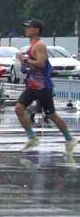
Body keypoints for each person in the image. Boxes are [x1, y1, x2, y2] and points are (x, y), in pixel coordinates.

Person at [14, 19, 77, 154]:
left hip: (43, 86)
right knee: (19, 108)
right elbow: (33, 66)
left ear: (36, 30)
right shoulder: (32, 46)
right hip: (32, 85)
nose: (26, 29)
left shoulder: (40, 45)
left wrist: (24, 59)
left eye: (29, 27)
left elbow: (41, 64)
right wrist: (23, 62)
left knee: (51, 115)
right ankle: (32, 137)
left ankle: (70, 139)